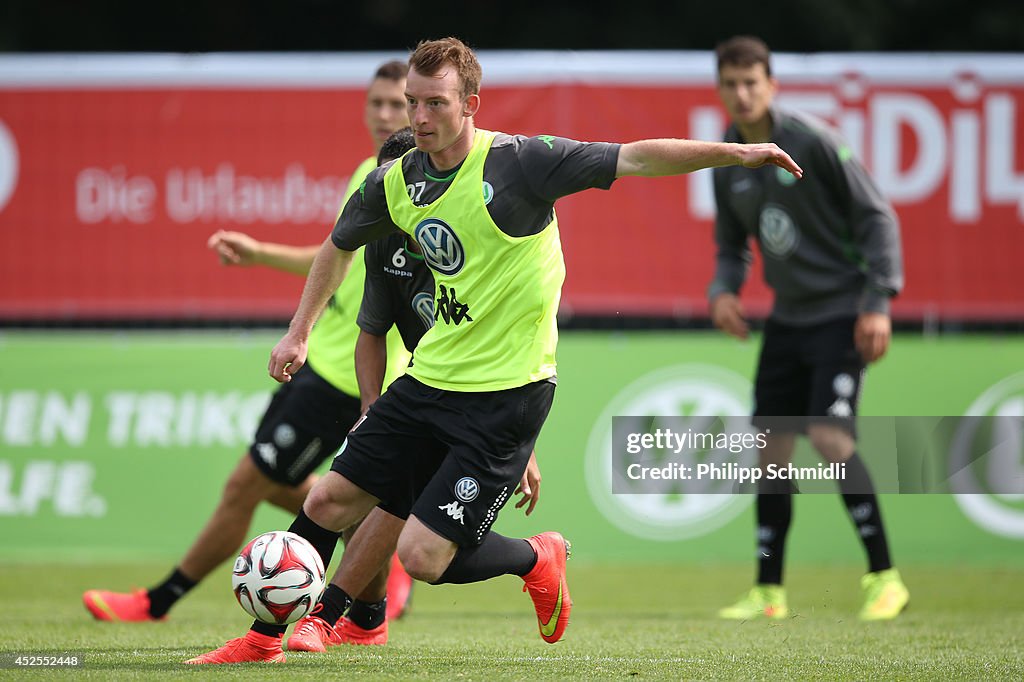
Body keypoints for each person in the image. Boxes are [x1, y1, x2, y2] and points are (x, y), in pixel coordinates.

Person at [185, 36, 802, 664]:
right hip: (429, 381)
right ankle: (265, 640)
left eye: (435, 104)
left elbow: (638, 158)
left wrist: (737, 153)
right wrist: (300, 330)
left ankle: (538, 555)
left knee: (422, 558)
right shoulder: (396, 180)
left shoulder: (521, 164)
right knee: (327, 500)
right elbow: (338, 244)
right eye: (412, 103)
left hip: (507, 396)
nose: (418, 118)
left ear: (471, 104)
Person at [83, 61, 417, 633]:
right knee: (307, 491)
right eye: (376, 103)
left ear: (420, 109)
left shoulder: (416, 180)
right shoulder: (373, 170)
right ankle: (373, 568)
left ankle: (158, 602)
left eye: (398, 104)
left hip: (352, 374)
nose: (385, 115)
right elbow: (334, 254)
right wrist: (262, 254)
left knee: (248, 484)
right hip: (332, 364)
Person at [707, 36, 909, 621]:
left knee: (830, 438)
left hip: (843, 313)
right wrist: (722, 291)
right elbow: (729, 244)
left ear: (772, 85)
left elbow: (877, 218)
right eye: (731, 84)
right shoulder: (727, 159)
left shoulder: (813, 142)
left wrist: (877, 300)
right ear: (720, 88)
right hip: (788, 320)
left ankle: (885, 578)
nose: (742, 94)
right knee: (771, 448)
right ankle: (768, 592)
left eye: (752, 82)